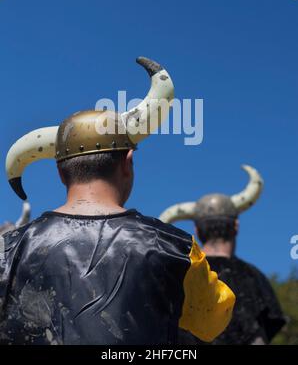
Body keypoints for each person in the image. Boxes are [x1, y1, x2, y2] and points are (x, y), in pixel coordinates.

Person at [0, 57, 235, 345]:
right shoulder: (177, 248)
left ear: (61, 173)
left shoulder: (8, 249)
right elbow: (213, 320)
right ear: (128, 161)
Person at [160, 165, 286, 345]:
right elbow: (258, 338)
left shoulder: (179, 272)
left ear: (196, 229)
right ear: (236, 226)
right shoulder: (254, 278)